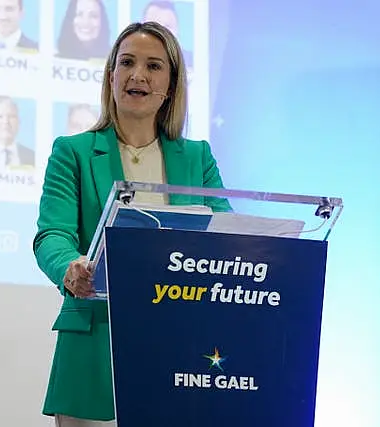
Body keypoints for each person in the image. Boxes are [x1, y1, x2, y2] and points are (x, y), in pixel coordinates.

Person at [33, 21, 231, 426]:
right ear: (111, 76)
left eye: (154, 66)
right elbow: (52, 234)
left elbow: (226, 233)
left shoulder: (196, 158)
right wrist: (70, 268)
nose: (138, 75)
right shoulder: (72, 152)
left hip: (180, 347)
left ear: (171, 86)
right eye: (127, 63)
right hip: (94, 347)